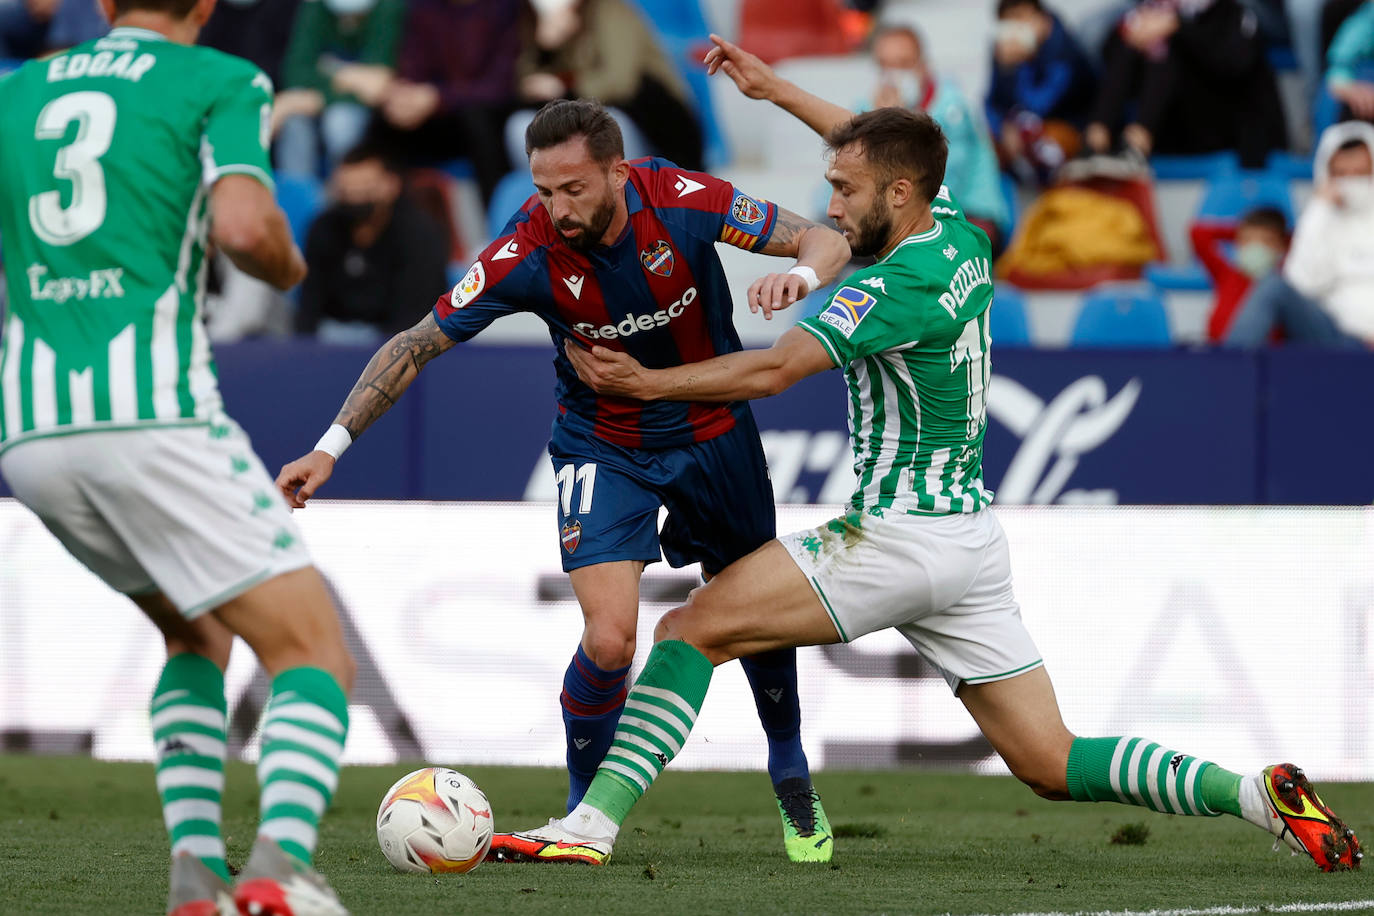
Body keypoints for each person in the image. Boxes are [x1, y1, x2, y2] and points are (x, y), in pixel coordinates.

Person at [490, 38, 1365, 875]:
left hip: (895, 539)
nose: (828, 208)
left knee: (687, 631)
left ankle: (588, 826)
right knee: (1051, 761)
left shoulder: (884, 288)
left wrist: (643, 386)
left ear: (897, 195)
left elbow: (770, 370)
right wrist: (775, 91)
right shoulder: (957, 233)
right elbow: (876, 147)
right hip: (969, 544)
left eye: (843, 192)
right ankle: (1254, 793)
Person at [275, 98, 852, 862]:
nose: (557, 208)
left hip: (714, 428)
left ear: (618, 171)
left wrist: (803, 276)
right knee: (610, 638)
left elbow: (819, 235)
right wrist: (331, 446)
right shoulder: (524, 251)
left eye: (573, 189)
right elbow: (417, 344)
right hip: (602, 443)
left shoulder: (677, 198)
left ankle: (790, 770)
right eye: (544, 190)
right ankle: (583, 818)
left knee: (754, 614)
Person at [0, 3, 356, 914]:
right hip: (151, 416)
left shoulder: (19, 89)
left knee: (193, 632)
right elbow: (244, 229)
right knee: (312, 649)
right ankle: (280, 876)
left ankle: (196, 879)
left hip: (32, 430)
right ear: (204, 5)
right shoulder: (220, 80)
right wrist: (287, 265)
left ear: (105, 3)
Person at [504, 0, 705, 172]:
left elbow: (621, 82)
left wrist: (564, 88)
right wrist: (544, 48)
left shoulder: (610, 10)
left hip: (654, 120)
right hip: (583, 115)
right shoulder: (540, 20)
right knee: (521, 126)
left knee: (608, 125)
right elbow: (527, 83)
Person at [1085, 0, 1287, 169]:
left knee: (1166, 50)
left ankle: (1138, 143)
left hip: (1228, 132)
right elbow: (1107, 56)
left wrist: (1179, 26)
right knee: (1137, 47)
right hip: (1176, 131)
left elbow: (1234, 64)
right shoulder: (1153, 13)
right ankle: (1098, 137)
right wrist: (1133, 34)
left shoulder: (1235, 13)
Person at [1226, 121, 1374, 347]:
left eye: (1360, 173)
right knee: (1273, 286)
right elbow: (1300, 283)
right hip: (1334, 338)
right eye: (1341, 174)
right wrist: (1320, 208)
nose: (1350, 181)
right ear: (1326, 173)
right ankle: (1225, 370)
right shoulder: (1320, 218)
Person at [362, 0, 519, 207]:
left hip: (488, 116)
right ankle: (381, 216)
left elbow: (500, 85)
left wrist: (439, 97)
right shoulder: (423, 8)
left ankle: (499, 224)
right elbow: (411, 66)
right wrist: (405, 98)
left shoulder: (505, 8)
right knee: (383, 122)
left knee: (478, 120)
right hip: (435, 116)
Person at [867, 24, 1009, 251]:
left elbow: (937, 187)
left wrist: (893, 127)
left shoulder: (954, 110)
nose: (892, 76)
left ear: (922, 65)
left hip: (967, 213)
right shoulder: (867, 106)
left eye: (903, 64)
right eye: (885, 66)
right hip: (902, 217)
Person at [295, 144, 449, 343]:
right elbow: (309, 306)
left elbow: (416, 315)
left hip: (397, 343)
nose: (356, 198)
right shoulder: (322, 228)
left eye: (366, 189)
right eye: (347, 191)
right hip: (332, 339)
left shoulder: (419, 233)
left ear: (391, 185)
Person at [273, 0, 405, 178]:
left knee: (340, 120)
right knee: (294, 122)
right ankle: (297, 198)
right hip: (324, 99)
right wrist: (351, 76)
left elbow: (377, 86)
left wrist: (318, 93)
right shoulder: (314, 7)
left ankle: (343, 195)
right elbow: (297, 71)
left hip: (359, 111)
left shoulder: (390, 8)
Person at [985, 0, 1097, 186]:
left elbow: (1041, 104)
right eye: (1009, 22)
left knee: (1044, 143)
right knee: (985, 146)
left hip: (1070, 130)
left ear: (1041, 18)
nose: (1016, 28)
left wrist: (1020, 64)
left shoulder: (1063, 49)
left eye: (1021, 17)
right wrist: (1004, 128)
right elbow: (992, 102)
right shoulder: (1002, 51)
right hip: (1020, 131)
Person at [1191, 205, 1288, 341]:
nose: (1255, 247)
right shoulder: (1226, 274)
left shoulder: (1284, 282)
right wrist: (1239, 230)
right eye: (1247, 240)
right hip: (1218, 352)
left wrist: (1280, 234)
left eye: (1266, 241)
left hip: (1266, 357)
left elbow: (1300, 242)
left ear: (1281, 245)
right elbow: (1197, 233)